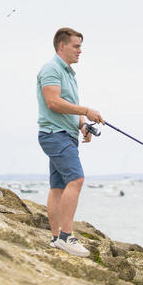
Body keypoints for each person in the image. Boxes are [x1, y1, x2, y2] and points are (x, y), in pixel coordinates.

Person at [36, 27, 104, 257]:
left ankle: (56, 238)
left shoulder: (69, 74)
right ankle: (67, 236)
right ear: (62, 46)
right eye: (76, 46)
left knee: (58, 187)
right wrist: (85, 110)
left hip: (66, 134)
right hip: (54, 134)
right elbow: (53, 102)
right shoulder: (51, 69)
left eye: (80, 46)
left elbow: (69, 107)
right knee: (76, 178)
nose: (80, 51)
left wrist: (83, 123)